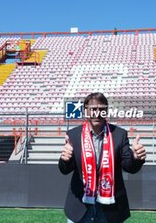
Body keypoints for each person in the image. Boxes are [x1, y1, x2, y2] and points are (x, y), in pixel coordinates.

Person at [59, 92, 146, 223]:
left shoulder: (119, 135)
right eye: (93, 109)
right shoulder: (73, 135)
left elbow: (130, 167)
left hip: (110, 210)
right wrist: (65, 160)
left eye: (102, 109)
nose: (97, 113)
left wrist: (136, 158)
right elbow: (64, 169)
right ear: (86, 111)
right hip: (80, 207)